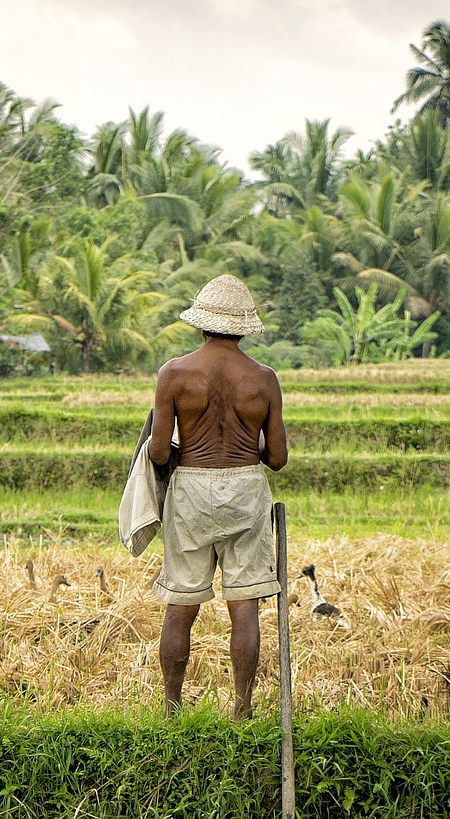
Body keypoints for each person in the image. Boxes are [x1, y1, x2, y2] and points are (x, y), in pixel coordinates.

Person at [148, 273, 287, 720]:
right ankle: (242, 710)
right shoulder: (264, 379)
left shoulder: (174, 373)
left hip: (191, 487)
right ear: (244, 327)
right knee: (244, 605)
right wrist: (247, 443)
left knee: (182, 603)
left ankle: (171, 710)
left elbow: (157, 450)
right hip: (246, 486)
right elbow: (279, 458)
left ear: (202, 323)